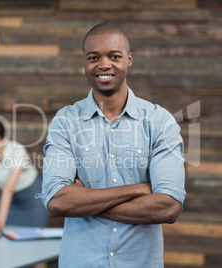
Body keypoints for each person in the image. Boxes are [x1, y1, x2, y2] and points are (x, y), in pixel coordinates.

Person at [41, 22, 186, 267]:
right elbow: (57, 201)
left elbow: (168, 208)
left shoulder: (160, 121)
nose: (104, 64)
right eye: (94, 57)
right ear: (84, 63)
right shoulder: (66, 121)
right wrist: (139, 189)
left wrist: (84, 201)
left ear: (128, 60)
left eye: (114, 56)